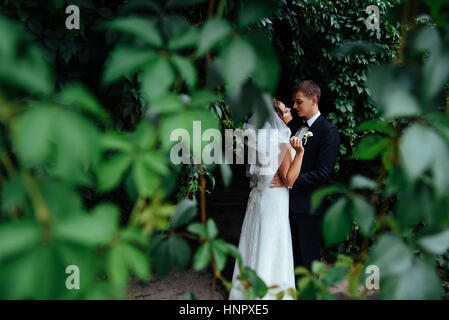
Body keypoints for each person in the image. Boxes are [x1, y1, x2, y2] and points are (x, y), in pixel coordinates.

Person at [228, 99, 304, 300]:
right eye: (286, 110)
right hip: (274, 200)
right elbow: (289, 179)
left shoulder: (262, 140)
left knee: (256, 240)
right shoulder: (280, 140)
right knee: (272, 244)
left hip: (258, 196)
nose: (290, 112)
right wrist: (300, 154)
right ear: (278, 116)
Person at [271, 80, 340, 270]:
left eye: (299, 102)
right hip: (288, 204)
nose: (294, 106)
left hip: (309, 207)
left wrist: (288, 182)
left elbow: (323, 173)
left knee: (308, 259)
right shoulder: (294, 128)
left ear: (314, 100)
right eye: (293, 102)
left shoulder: (328, 132)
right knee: (291, 259)